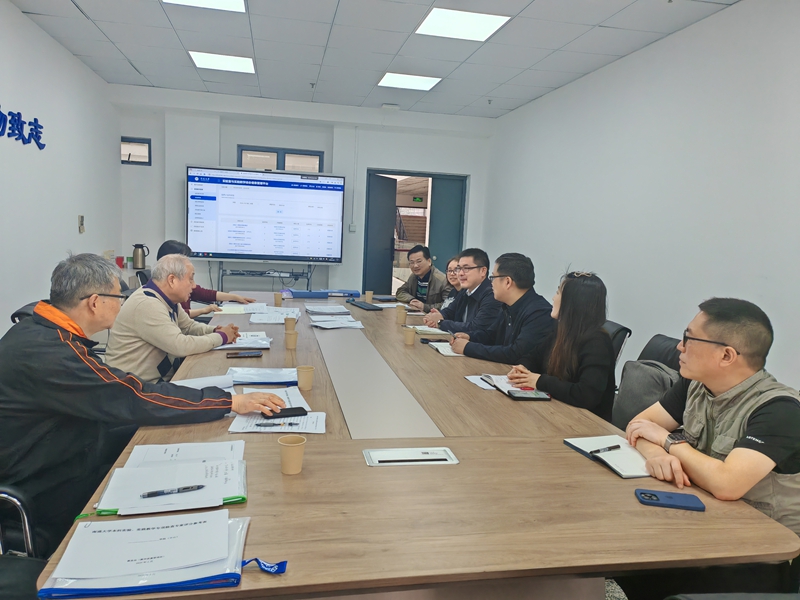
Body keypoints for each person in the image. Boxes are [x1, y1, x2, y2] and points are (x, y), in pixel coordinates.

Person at [0, 254, 285, 554]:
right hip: (43, 482)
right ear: (95, 302)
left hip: (66, 443)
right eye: (118, 297)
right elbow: (133, 396)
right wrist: (230, 401)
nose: (123, 303)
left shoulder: (40, 331)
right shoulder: (53, 355)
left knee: (169, 444)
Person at [617, 298, 800, 599]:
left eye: (689, 338)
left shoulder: (779, 409)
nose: (680, 346)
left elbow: (728, 484)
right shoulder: (696, 385)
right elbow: (640, 425)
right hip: (703, 525)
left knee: (635, 561)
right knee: (619, 546)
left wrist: (669, 442)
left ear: (727, 355)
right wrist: (657, 455)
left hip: (758, 557)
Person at [105, 254, 241, 383]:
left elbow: (188, 327)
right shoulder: (147, 304)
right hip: (137, 386)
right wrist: (222, 337)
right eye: (190, 279)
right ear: (172, 280)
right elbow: (180, 346)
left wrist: (215, 330)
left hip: (161, 379)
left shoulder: (166, 298)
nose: (194, 285)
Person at [507, 272, 615, 422]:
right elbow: (533, 356)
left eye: (558, 293)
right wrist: (522, 368)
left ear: (573, 302)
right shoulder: (562, 331)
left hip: (585, 423)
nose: (553, 298)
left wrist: (539, 381)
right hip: (555, 412)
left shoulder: (597, 343)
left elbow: (586, 395)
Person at [449, 253, 555, 364]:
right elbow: (491, 335)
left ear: (507, 282)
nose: (491, 283)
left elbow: (516, 354)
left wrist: (468, 348)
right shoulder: (507, 305)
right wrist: (469, 337)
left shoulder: (539, 313)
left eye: (493, 277)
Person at [156, 240, 255, 319]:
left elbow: (206, 294)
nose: (188, 262)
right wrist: (204, 310)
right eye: (184, 260)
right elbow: (177, 316)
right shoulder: (161, 291)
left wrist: (234, 297)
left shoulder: (181, 283)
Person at [423, 248, 502, 334]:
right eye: (459, 268)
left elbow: (475, 328)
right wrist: (436, 316)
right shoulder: (465, 291)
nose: (460, 273)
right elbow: (450, 311)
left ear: (483, 271)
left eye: (466, 268)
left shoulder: (492, 295)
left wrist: (440, 322)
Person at [394, 245, 452, 312]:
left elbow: (449, 305)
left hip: (434, 316)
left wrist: (425, 307)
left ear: (429, 261)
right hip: (417, 314)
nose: (415, 266)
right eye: (412, 262)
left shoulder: (442, 280)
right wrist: (412, 300)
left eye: (419, 261)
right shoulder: (413, 277)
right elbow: (400, 292)